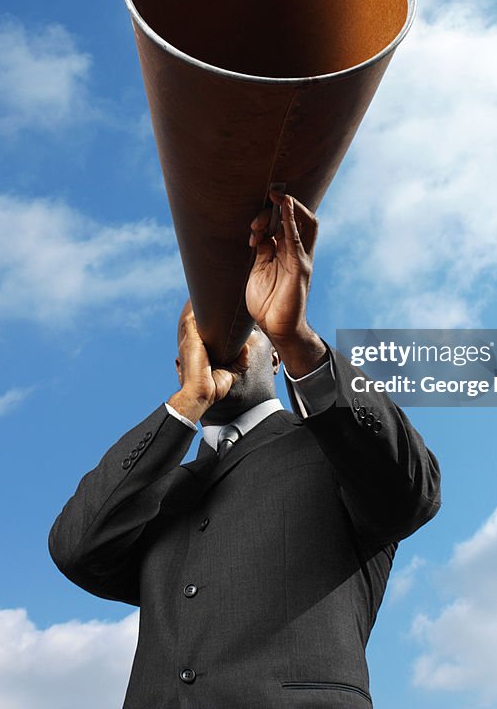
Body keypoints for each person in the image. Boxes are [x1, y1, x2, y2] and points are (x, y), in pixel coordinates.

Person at [49, 192, 441, 708]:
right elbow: (76, 550)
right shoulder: (156, 491)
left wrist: (297, 335)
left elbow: (410, 489)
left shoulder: (335, 450)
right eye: (199, 338)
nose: (216, 343)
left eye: (238, 330)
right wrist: (184, 407)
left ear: (276, 358)